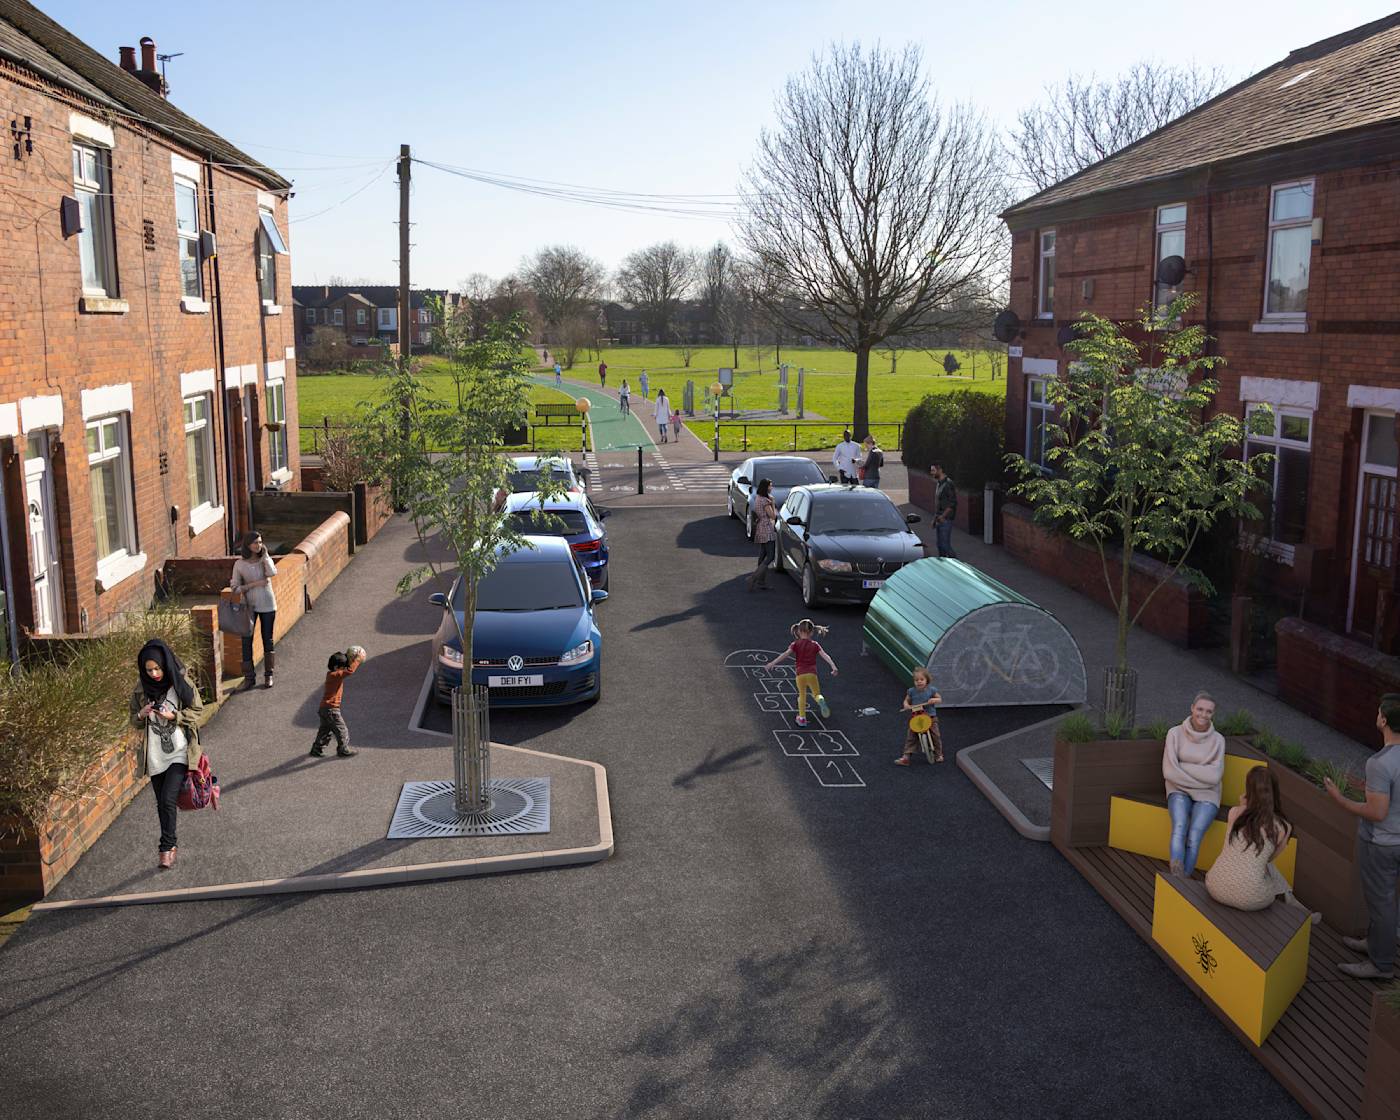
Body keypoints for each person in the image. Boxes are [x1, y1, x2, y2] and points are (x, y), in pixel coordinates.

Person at [1327, 694, 1400, 980]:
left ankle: (1380, 965)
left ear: (1383, 720)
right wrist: (1367, 787)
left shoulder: (1379, 763)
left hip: (1380, 843)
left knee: (1381, 903)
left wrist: (1339, 798)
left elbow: (1377, 812)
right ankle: (1374, 943)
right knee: (1388, 901)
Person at [128, 638, 205, 869]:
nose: (154, 674)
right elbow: (133, 721)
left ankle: (166, 847)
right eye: (149, 670)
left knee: (168, 799)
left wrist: (175, 717)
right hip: (154, 755)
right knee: (161, 803)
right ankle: (169, 845)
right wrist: (141, 715)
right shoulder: (141, 689)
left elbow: (197, 711)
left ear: (165, 664)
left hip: (179, 751)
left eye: (157, 668)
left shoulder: (181, 683)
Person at [1206, 766, 1317, 918]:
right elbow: (1268, 860)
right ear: (1274, 791)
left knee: (1258, 864)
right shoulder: (1283, 827)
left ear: (1248, 790)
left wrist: (1242, 805)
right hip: (1250, 899)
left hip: (1215, 885)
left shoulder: (1234, 813)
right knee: (1265, 868)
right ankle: (1296, 905)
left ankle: (1293, 901)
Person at [1163, 691, 1225, 878]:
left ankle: (1184, 879)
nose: (1203, 715)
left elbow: (1214, 776)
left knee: (1194, 835)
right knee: (1180, 827)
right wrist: (1200, 775)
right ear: (1192, 708)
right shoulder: (1174, 733)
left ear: (1213, 714)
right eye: (1200, 709)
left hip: (1209, 794)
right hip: (1178, 789)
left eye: (1209, 711)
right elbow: (1169, 772)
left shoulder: (1218, 740)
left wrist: (1183, 766)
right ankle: (1177, 874)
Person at [766, 620, 837, 728]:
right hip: (812, 674)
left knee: (802, 695)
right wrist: (833, 666)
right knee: (816, 694)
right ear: (812, 632)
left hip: (800, 675)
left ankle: (802, 718)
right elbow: (825, 655)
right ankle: (820, 700)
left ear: (798, 631)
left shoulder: (795, 644)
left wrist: (773, 663)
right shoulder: (815, 645)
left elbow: (785, 654)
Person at [231, 530, 278, 689]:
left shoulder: (264, 559)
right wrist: (254, 584)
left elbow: (272, 572)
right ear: (248, 545)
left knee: (267, 639)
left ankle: (269, 675)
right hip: (249, 606)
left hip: (267, 604)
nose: (258, 545)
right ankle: (249, 678)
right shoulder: (239, 564)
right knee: (246, 641)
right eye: (255, 543)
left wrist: (265, 556)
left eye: (260, 542)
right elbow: (235, 588)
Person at [310, 648, 365, 758]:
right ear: (336, 667)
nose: (344, 668)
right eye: (342, 667)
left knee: (325, 730)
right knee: (342, 729)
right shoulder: (335, 675)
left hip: (325, 709)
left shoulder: (331, 674)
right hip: (331, 709)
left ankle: (317, 748)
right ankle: (343, 749)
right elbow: (350, 671)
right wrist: (357, 660)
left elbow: (345, 669)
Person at [896, 667, 944, 765]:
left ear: (927, 680)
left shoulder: (931, 690)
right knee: (911, 736)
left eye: (921, 679)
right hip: (916, 717)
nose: (919, 682)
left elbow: (939, 699)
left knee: (935, 735)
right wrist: (906, 705)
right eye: (916, 680)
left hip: (930, 717)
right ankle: (906, 757)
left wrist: (934, 700)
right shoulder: (911, 691)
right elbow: (906, 700)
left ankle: (938, 754)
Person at [746, 478, 778, 591]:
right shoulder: (766, 501)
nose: (772, 487)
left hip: (761, 527)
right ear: (766, 487)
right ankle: (753, 578)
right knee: (770, 556)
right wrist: (773, 503)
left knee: (762, 555)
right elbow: (773, 516)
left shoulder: (758, 498)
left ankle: (761, 581)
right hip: (767, 528)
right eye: (770, 485)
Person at [931, 463, 958, 559]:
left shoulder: (948, 484)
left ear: (940, 470)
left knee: (945, 545)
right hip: (939, 518)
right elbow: (938, 503)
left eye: (933, 470)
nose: (932, 473)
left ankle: (955, 563)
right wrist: (935, 519)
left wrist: (943, 516)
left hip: (946, 520)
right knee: (940, 545)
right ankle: (942, 565)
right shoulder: (939, 483)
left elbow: (952, 503)